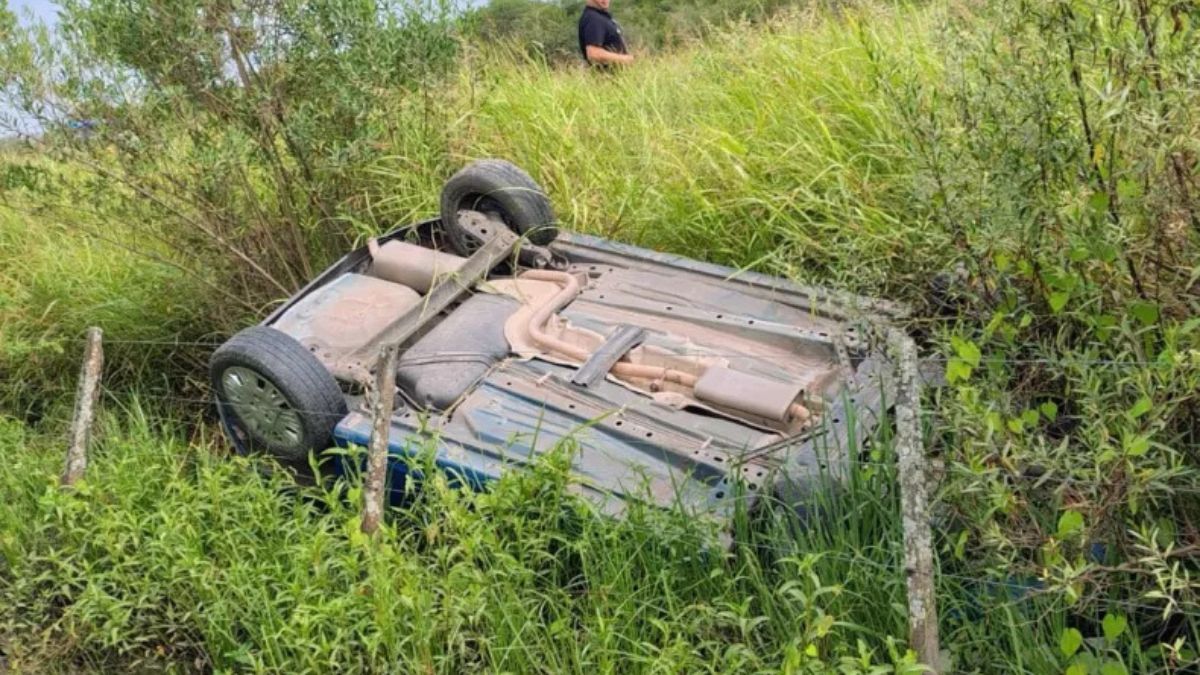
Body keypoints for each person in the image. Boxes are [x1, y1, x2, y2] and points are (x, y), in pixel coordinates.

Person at [578, 0, 633, 67]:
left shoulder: (601, 16)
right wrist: (627, 59)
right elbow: (594, 54)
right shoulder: (594, 19)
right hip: (606, 76)